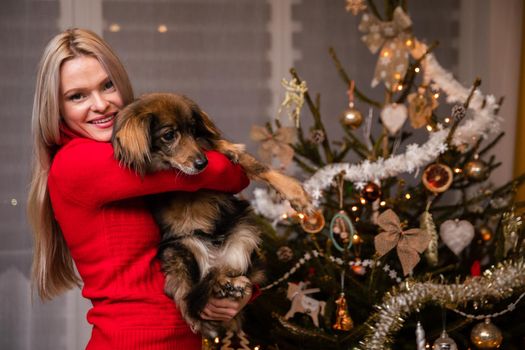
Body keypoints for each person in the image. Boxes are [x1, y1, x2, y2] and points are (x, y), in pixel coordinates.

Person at [28, 28, 251, 350]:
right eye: (77, 96)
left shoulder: (139, 151)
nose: (101, 104)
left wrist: (234, 293)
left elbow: (198, 236)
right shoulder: (78, 162)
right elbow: (229, 173)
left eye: (108, 85)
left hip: (178, 340)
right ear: (56, 108)